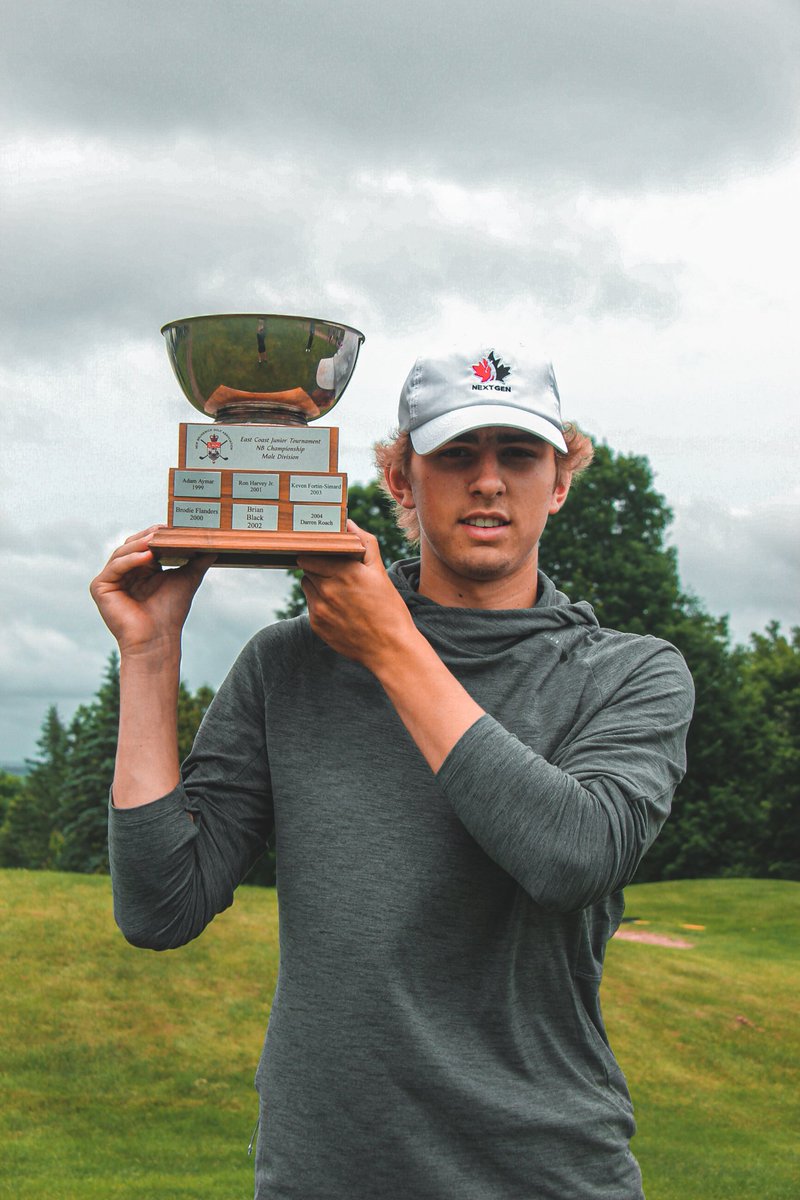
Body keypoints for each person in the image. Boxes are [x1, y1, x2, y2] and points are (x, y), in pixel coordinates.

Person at [91, 344, 694, 1200]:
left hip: (545, 1172)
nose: (488, 481)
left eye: (519, 455)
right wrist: (150, 658)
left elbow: (574, 859)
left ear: (559, 483)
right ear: (401, 482)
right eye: (455, 454)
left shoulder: (629, 674)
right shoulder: (287, 666)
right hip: (323, 1175)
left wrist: (389, 647)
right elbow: (159, 908)